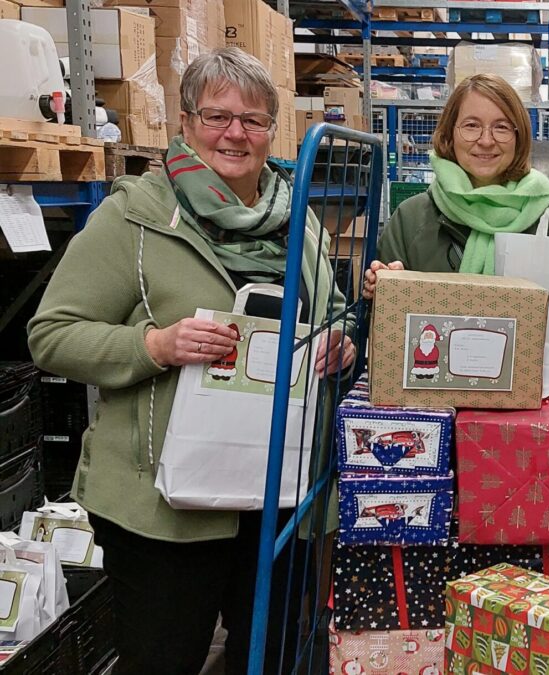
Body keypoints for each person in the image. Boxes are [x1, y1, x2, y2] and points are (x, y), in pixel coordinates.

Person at [28, 48, 354, 675]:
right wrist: (153, 346)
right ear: (184, 123)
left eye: (254, 120)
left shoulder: (297, 219)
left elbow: (332, 311)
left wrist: (339, 345)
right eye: (218, 116)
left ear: (271, 131)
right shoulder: (136, 217)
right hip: (164, 508)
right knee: (163, 657)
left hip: (275, 495)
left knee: (273, 657)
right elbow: (52, 334)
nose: (236, 133)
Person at [362, 73, 549, 296]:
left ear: (519, 137)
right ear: (450, 135)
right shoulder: (410, 220)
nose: (486, 141)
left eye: (502, 127)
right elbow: (381, 318)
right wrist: (382, 286)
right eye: (471, 125)